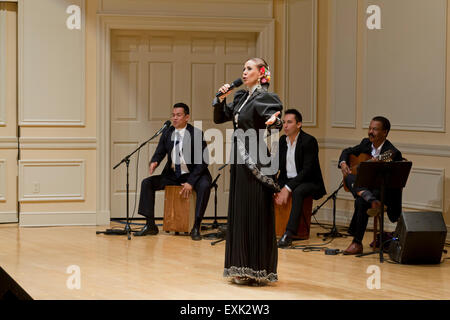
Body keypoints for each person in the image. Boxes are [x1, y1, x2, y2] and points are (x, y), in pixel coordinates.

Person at [213, 58, 283, 286]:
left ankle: (257, 269)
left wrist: (274, 121)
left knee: (255, 210)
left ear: (262, 73)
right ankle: (241, 267)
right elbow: (220, 117)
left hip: (255, 159)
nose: (244, 72)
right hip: (239, 159)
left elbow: (275, 118)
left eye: (249, 68)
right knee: (241, 211)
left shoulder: (265, 97)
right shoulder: (242, 97)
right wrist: (220, 99)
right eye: (243, 68)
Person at [134, 103, 212, 241]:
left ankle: (196, 226)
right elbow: (160, 151)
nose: (174, 118)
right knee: (147, 183)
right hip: (174, 174)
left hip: (195, 174)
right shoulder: (168, 132)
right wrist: (155, 161)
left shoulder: (196, 134)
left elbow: (203, 162)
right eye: (173, 115)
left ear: (187, 117)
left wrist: (190, 182)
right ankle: (150, 225)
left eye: (178, 115)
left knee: (205, 186)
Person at [339, 116, 403, 255]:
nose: (370, 132)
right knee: (349, 176)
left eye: (375, 129)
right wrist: (343, 163)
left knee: (361, 201)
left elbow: (393, 184)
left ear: (384, 132)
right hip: (367, 189)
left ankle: (357, 243)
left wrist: (378, 163)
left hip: (383, 193)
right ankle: (369, 198)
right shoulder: (365, 143)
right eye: (369, 128)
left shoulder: (392, 153)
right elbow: (347, 151)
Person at [275, 109, 326, 247]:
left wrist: (287, 187)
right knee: (266, 188)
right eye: (284, 122)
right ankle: (268, 228)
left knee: (297, 191)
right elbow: (277, 166)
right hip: (287, 179)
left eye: (289, 122)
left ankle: (289, 234)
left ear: (299, 125)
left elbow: (307, 171)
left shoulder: (309, 141)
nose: (285, 125)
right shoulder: (282, 140)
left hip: (308, 181)